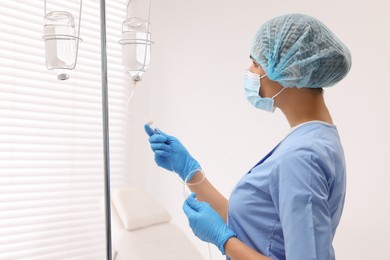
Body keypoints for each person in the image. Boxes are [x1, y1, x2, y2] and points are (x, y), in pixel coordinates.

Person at [144, 13, 351, 260]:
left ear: (291, 69)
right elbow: (256, 225)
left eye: (255, 63)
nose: (249, 71)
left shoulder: (301, 156)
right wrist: (190, 172)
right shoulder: (313, 139)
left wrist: (225, 242)